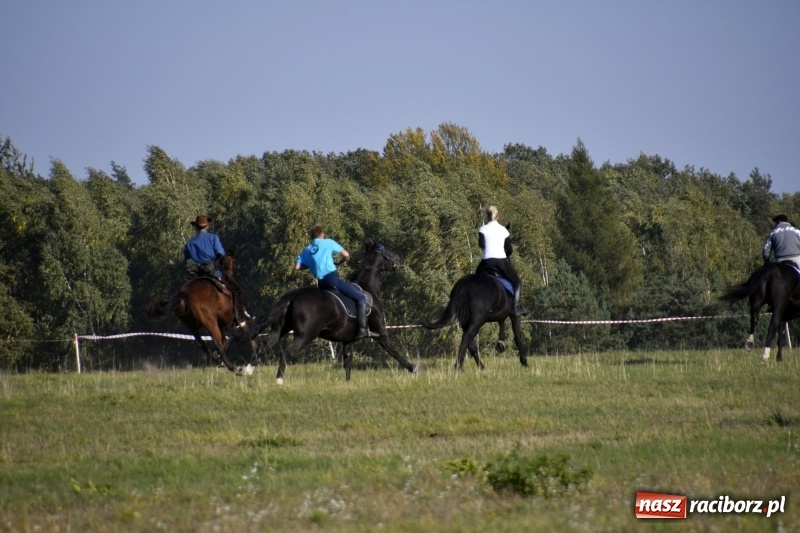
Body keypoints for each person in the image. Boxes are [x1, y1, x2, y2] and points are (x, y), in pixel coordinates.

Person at [295, 225, 378, 339]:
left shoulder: (307, 250)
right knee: (361, 298)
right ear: (323, 234)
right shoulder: (328, 242)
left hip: (321, 284)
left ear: (312, 236)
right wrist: (342, 262)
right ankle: (363, 329)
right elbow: (346, 254)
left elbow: (298, 267)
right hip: (333, 279)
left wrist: (311, 264)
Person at [184, 215, 249, 328]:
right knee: (236, 289)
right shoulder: (213, 238)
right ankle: (239, 318)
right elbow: (221, 253)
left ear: (196, 228)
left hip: (195, 275)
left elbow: (187, 260)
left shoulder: (189, 244)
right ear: (207, 226)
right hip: (213, 272)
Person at [475, 205, 528, 316]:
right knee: (517, 282)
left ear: (486, 216)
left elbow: (481, 245)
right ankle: (517, 306)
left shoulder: (482, 229)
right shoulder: (504, 230)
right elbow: (509, 249)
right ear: (498, 216)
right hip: (500, 261)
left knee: (475, 280)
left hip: (486, 261)